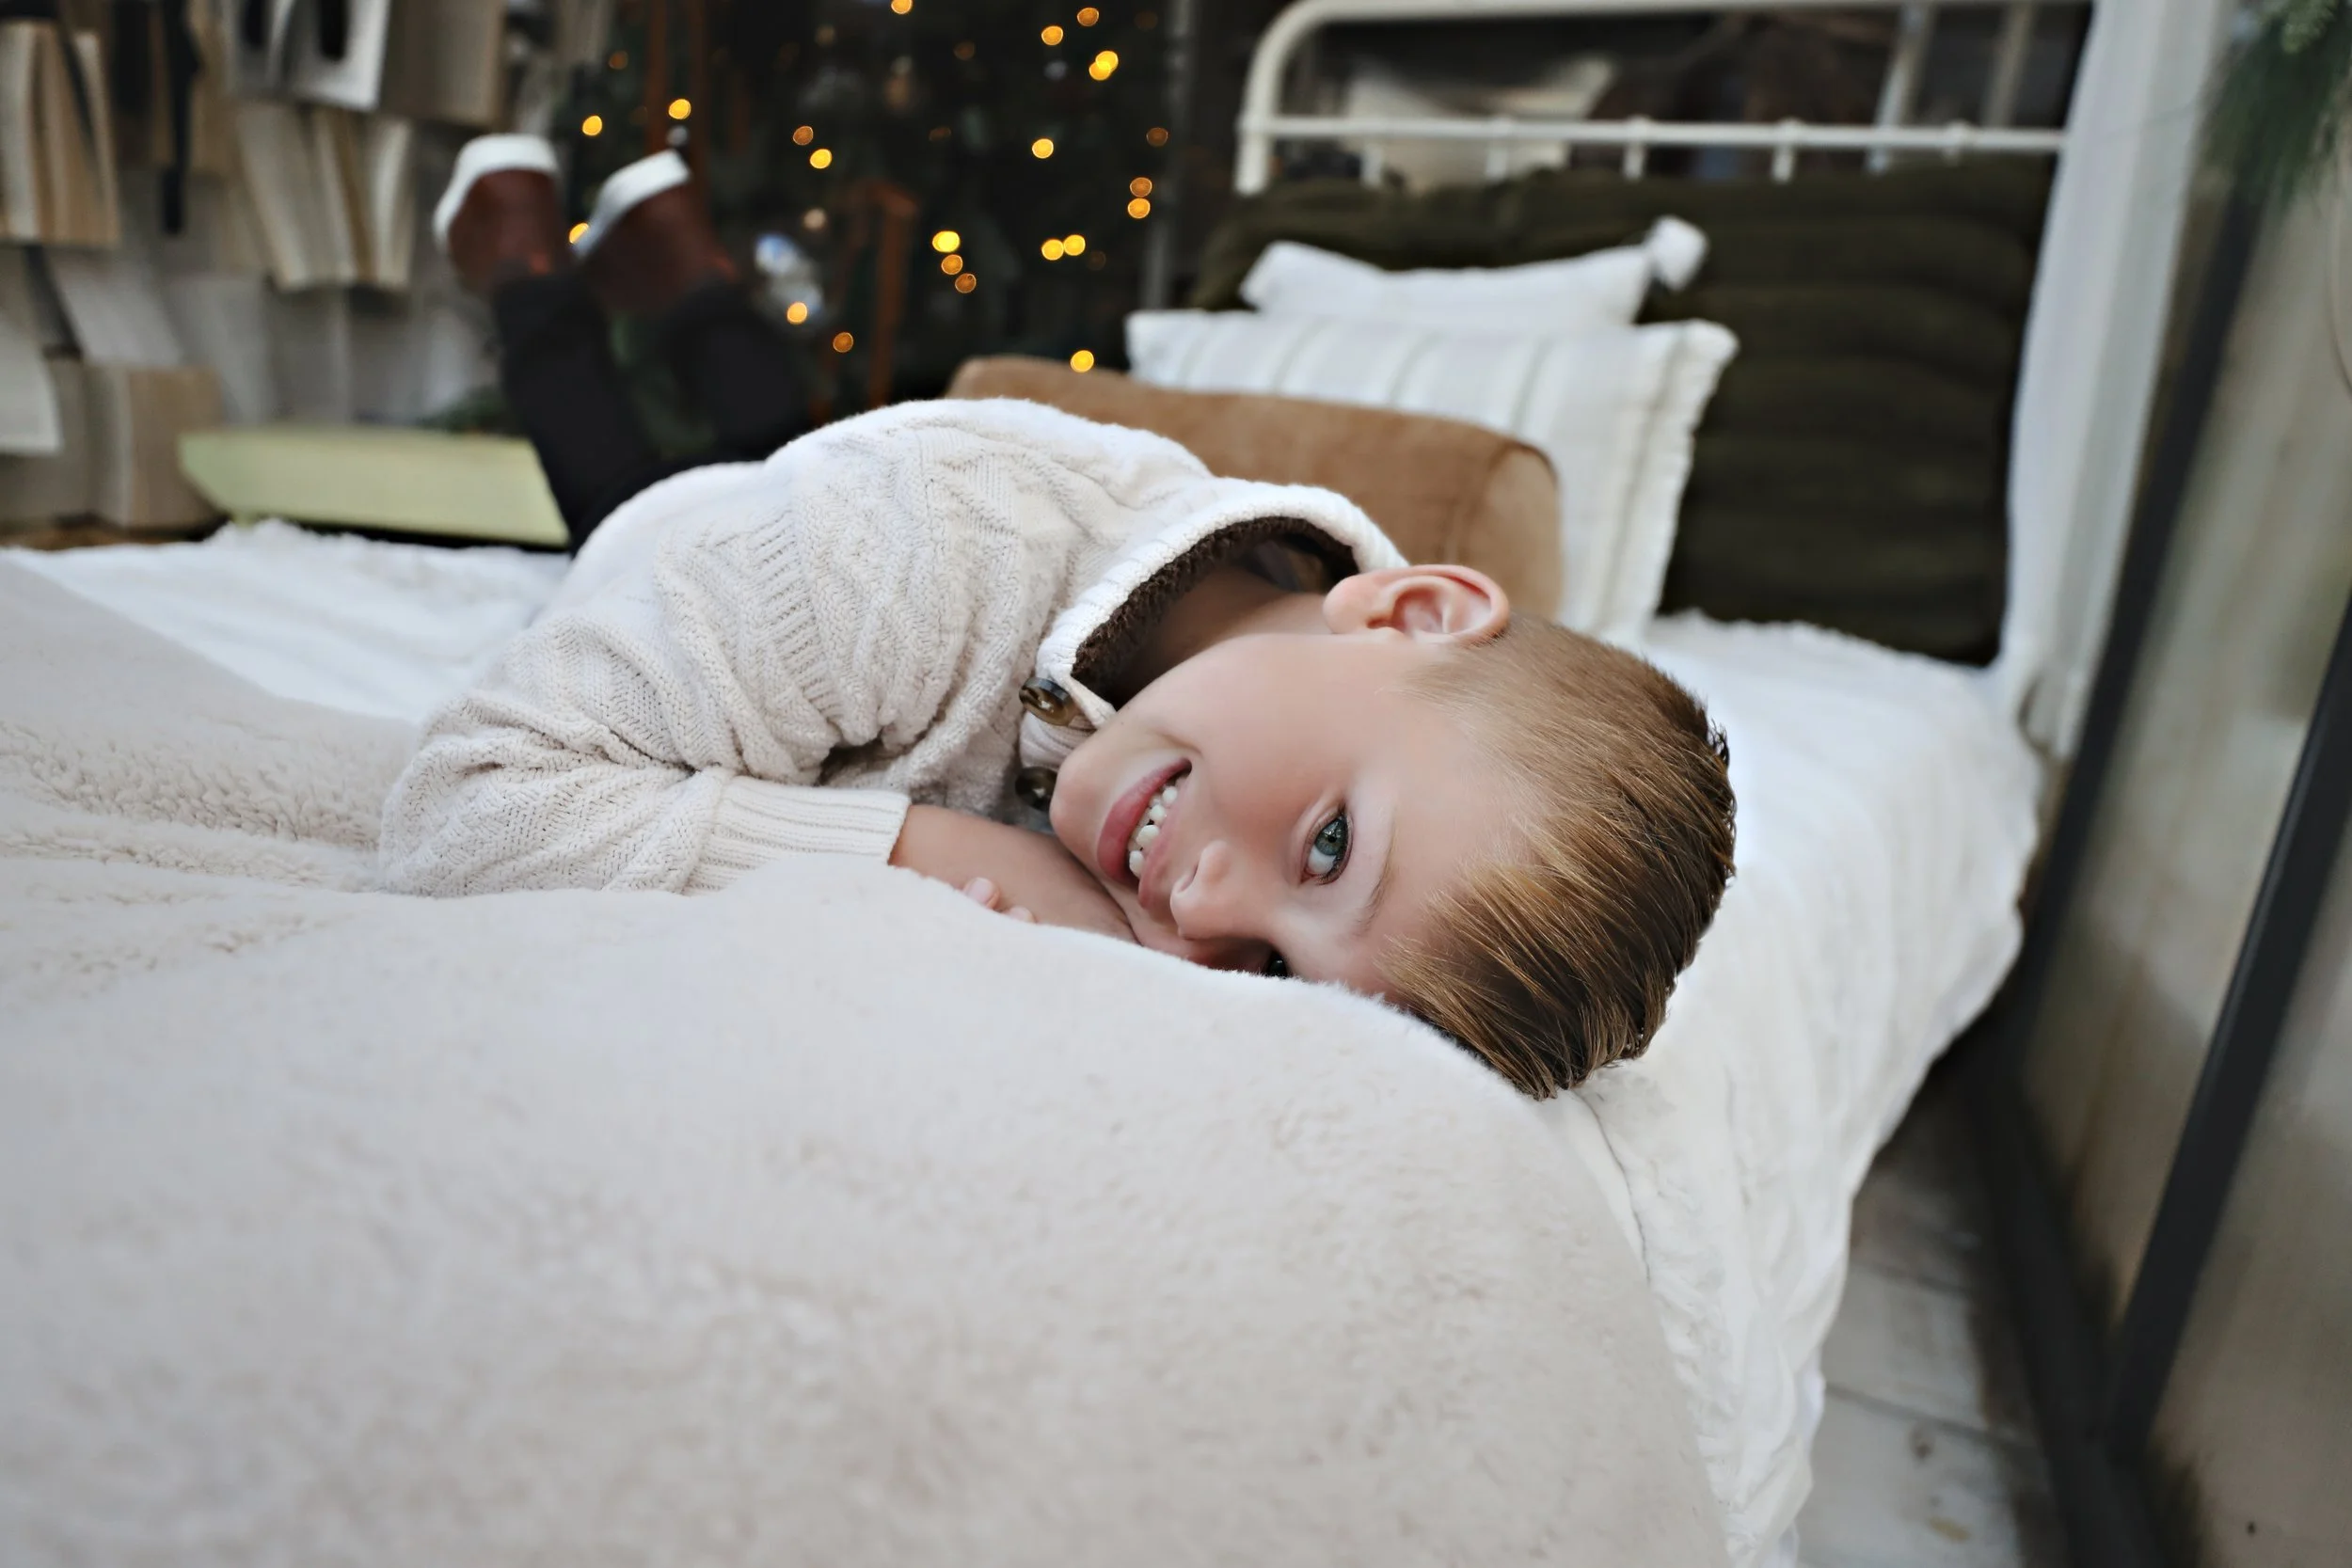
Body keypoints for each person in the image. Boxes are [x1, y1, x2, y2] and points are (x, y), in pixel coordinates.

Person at [380, 136, 1738, 1099]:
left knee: (772, 441)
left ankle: (682, 274)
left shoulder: (1234, 753)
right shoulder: (922, 532)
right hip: (706, 548)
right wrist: (925, 851)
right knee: (628, 479)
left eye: (1271, 973)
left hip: (808, 551)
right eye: (1329, 846)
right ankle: (524, 258)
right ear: (1410, 611)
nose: (1200, 908)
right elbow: (467, 804)